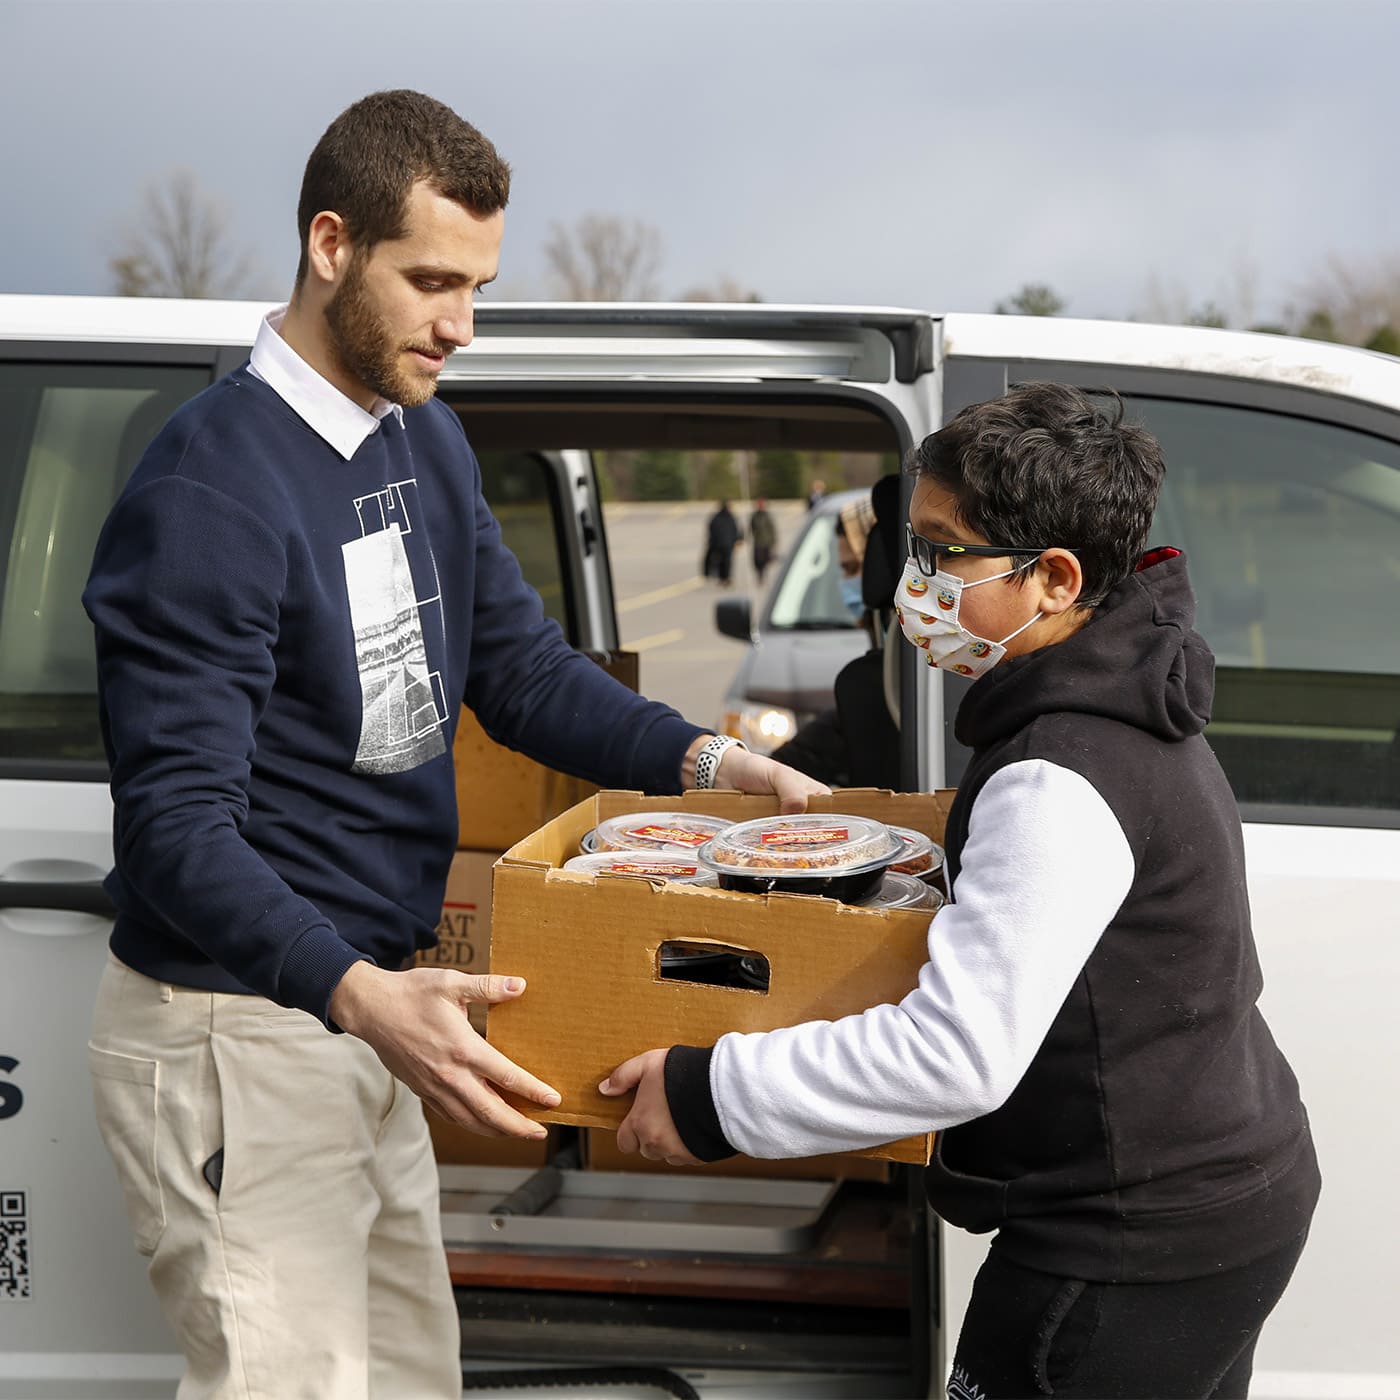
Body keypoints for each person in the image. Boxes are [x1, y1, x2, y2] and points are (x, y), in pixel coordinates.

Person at [82, 89, 825, 1400]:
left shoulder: (420, 436)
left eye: (476, 285)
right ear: (329, 248)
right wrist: (362, 998)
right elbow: (175, 831)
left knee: (410, 1381)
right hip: (244, 1032)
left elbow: (521, 672)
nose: (459, 325)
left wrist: (713, 769)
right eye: (430, 281)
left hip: (365, 1014)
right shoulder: (211, 491)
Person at [603, 384, 1320, 1400]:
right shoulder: (1126, 688)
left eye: (944, 552)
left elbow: (956, 1052)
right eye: (910, 545)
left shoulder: (1058, 771)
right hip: (1217, 1195)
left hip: (1124, 1243)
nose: (912, 579)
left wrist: (706, 1090)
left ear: (1053, 579)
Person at [771, 477, 901, 789]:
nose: (857, 584)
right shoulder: (875, 676)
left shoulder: (904, 675)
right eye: (844, 569)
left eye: (856, 568)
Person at [701, 498, 742, 586]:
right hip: (727, 544)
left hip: (720, 544)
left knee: (722, 561)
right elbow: (736, 529)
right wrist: (738, 539)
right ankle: (725, 578)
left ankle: (724, 578)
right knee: (726, 562)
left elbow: (711, 530)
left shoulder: (717, 517)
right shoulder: (730, 517)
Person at [748, 497, 777, 584]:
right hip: (758, 542)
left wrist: (773, 542)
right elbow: (751, 528)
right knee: (757, 560)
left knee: (765, 560)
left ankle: (763, 574)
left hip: (766, 542)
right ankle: (760, 574)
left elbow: (772, 529)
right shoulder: (754, 516)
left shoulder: (767, 516)